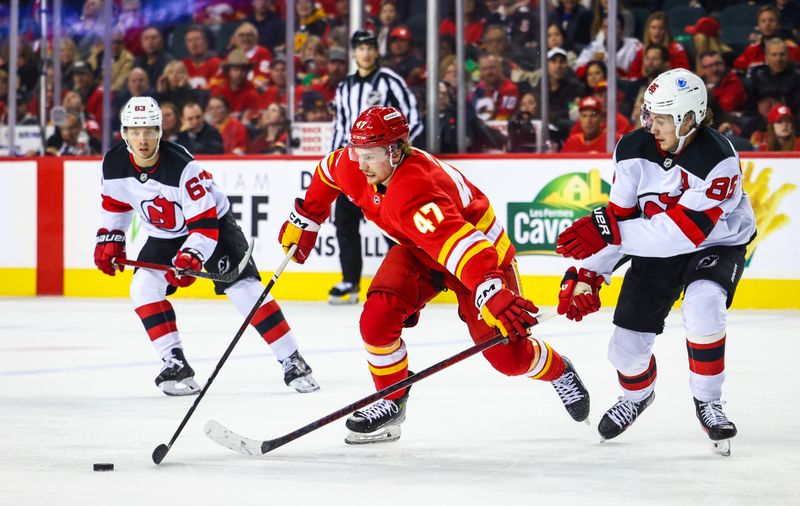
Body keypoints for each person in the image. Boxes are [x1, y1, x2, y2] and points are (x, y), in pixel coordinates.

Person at [278, 105, 590, 445]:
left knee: (509, 359)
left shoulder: (416, 188)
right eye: (358, 152)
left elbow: (463, 245)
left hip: (481, 260)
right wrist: (307, 218)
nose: (361, 163)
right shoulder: (354, 165)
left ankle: (559, 369)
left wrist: (490, 289)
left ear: (395, 151)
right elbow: (327, 171)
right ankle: (391, 400)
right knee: (377, 317)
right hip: (421, 251)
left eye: (370, 156)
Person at [554, 68, 756, 455]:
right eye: (648, 115)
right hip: (655, 245)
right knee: (623, 350)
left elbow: (677, 236)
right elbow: (623, 221)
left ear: (690, 119)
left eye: (661, 119)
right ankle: (637, 394)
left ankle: (708, 401)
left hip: (713, 245)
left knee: (703, 306)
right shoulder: (632, 149)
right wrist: (588, 274)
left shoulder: (719, 160)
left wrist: (608, 233)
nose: (651, 125)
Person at [94, 96, 319, 396]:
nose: (142, 139)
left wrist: (191, 257)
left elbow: (204, 227)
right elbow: (115, 203)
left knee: (244, 290)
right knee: (143, 288)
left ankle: (292, 359)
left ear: (160, 131)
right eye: (135, 131)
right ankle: (174, 362)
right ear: (124, 134)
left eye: (149, 130)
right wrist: (111, 237)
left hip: (214, 226)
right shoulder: (113, 163)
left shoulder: (182, 166)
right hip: (164, 234)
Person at [328, 29, 422, 305]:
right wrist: (335, 163)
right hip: (352, 166)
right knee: (344, 222)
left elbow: (412, 118)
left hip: (384, 167)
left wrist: (397, 155)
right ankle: (350, 281)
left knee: (391, 223)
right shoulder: (344, 87)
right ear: (353, 52)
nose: (366, 53)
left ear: (376, 51)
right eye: (360, 48)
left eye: (370, 47)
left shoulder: (390, 82)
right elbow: (339, 127)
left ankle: (404, 280)